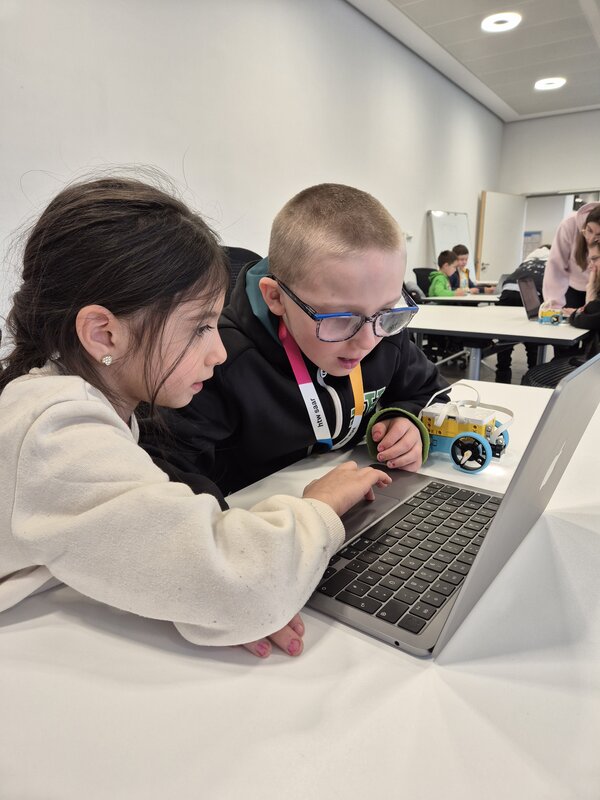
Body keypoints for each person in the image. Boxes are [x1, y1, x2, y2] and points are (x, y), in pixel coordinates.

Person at [0, 176, 392, 660]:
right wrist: (319, 507)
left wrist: (195, 590)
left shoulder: (70, 404)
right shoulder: (56, 432)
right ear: (103, 334)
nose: (220, 352)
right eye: (200, 327)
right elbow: (246, 588)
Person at [139, 183, 449, 498]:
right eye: (340, 318)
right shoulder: (220, 361)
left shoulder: (383, 331)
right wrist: (299, 516)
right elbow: (165, 479)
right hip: (262, 517)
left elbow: (433, 394)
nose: (366, 341)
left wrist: (406, 420)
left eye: (388, 311)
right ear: (275, 298)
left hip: (355, 501)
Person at [522, 240, 600, 387]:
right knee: (554, 362)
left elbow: (582, 319)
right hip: (593, 359)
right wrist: (581, 312)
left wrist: (590, 291)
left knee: (532, 377)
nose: (590, 266)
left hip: (594, 367)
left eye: (595, 259)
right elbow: (588, 314)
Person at [494, 245, 550, 383]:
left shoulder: (529, 259)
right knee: (533, 340)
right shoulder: (551, 259)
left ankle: (502, 377)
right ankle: (533, 378)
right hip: (531, 291)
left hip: (508, 289)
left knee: (505, 339)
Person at [542, 202, 600, 309]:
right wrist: (553, 305)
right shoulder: (570, 224)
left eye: (598, 235)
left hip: (597, 287)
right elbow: (555, 266)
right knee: (571, 316)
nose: (591, 239)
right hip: (574, 288)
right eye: (589, 230)